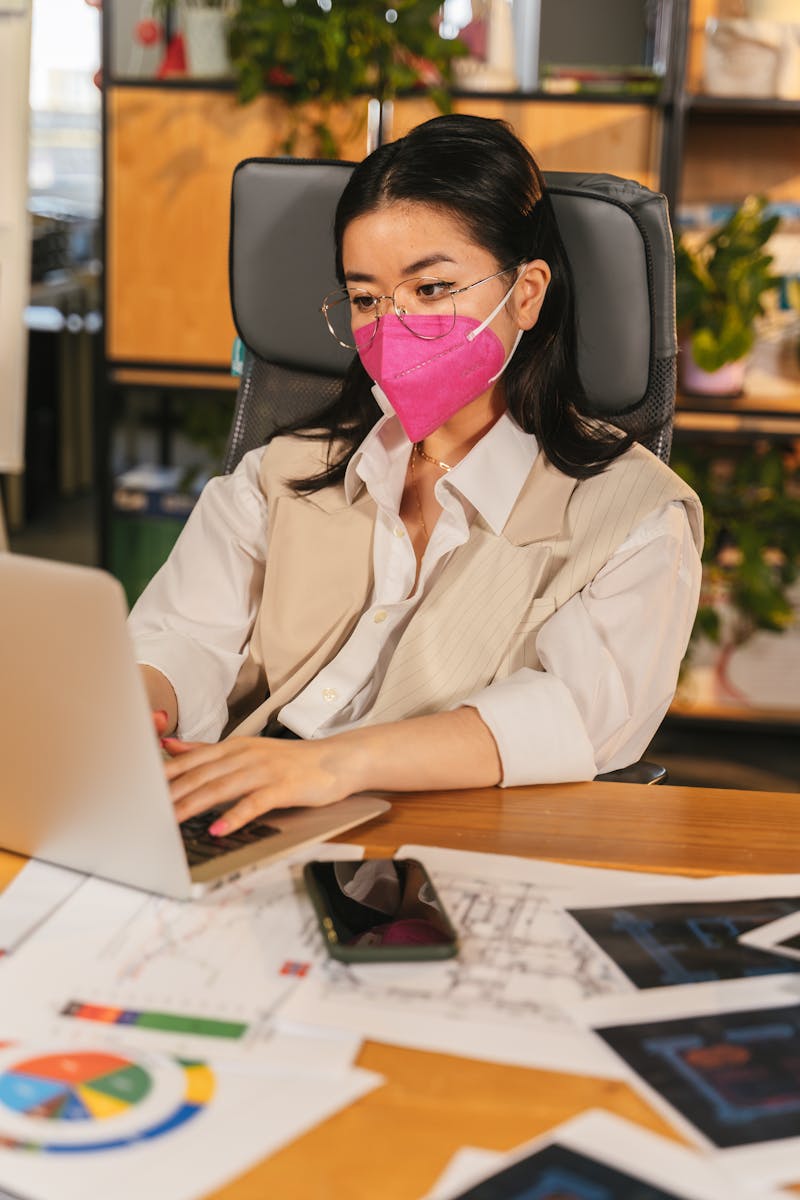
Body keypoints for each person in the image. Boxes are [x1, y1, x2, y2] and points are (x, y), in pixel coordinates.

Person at [129, 114, 703, 838]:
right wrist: (142, 706)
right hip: (241, 812)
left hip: (433, 849)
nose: (392, 324)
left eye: (430, 289)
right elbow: (184, 632)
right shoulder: (283, 472)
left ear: (526, 293)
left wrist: (336, 763)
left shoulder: (637, 515)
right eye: (367, 299)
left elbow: (577, 716)